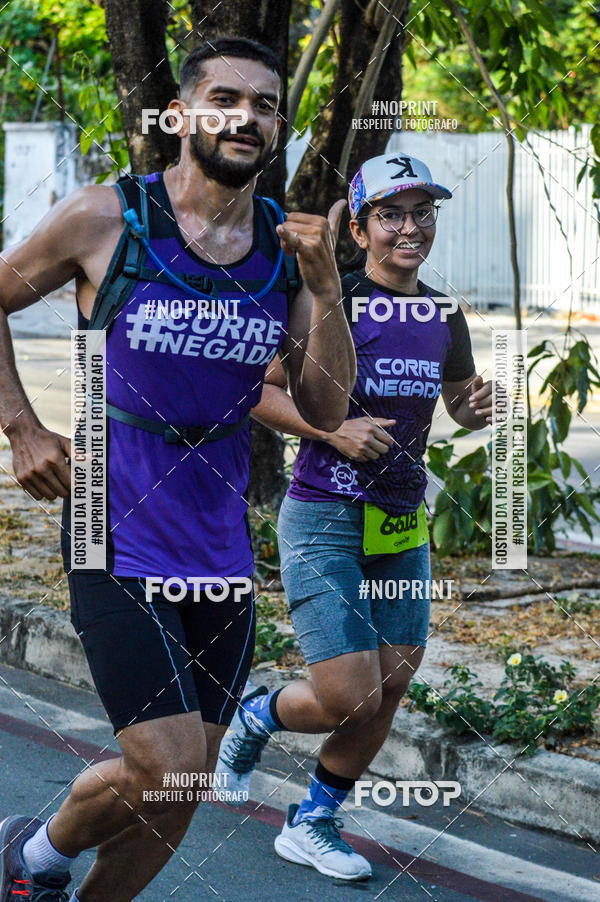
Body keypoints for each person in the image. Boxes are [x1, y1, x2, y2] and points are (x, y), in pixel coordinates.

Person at [0, 37, 355, 902]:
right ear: (183, 115)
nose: (245, 116)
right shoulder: (106, 219)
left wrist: (327, 281)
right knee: (165, 763)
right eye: (225, 98)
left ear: (278, 127)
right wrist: (21, 427)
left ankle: (48, 878)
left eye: (265, 104)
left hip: (218, 542)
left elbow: (327, 407)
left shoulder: (285, 253)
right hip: (107, 518)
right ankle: (33, 850)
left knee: (184, 788)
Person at [217, 152, 494, 881]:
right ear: (362, 227)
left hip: (402, 526)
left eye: (422, 212)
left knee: (392, 685)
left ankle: (313, 819)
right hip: (326, 517)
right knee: (350, 694)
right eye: (391, 215)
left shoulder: (442, 312)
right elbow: (255, 390)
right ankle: (258, 713)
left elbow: (457, 398)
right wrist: (330, 429)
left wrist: (473, 406)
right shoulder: (329, 303)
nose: (410, 228)